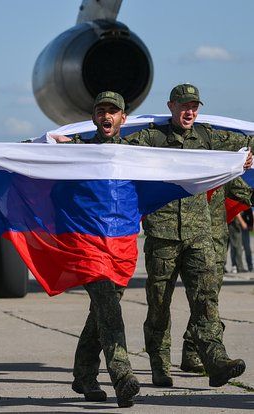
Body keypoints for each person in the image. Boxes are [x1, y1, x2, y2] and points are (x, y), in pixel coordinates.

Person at [125, 83, 252, 388]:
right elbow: (112, 145)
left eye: (194, 107)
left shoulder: (207, 137)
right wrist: (66, 143)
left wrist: (245, 157)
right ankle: (159, 363)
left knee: (206, 300)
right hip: (163, 234)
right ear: (171, 106)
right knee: (159, 305)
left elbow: (246, 140)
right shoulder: (153, 139)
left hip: (199, 235)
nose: (189, 112)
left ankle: (215, 360)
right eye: (184, 106)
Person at [62, 92, 140, 408]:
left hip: (121, 247)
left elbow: (182, 158)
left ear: (123, 118)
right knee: (109, 309)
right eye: (101, 110)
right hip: (88, 245)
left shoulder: (136, 153)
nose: (107, 115)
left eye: (113, 111)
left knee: (100, 313)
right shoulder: (78, 150)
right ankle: (123, 376)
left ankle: (84, 375)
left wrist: (235, 161)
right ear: (94, 117)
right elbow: (29, 153)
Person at [181, 178, 252, 373]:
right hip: (189, 237)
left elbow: (244, 192)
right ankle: (172, 355)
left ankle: (193, 350)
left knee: (208, 298)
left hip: (216, 240)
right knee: (200, 297)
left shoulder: (226, 169)